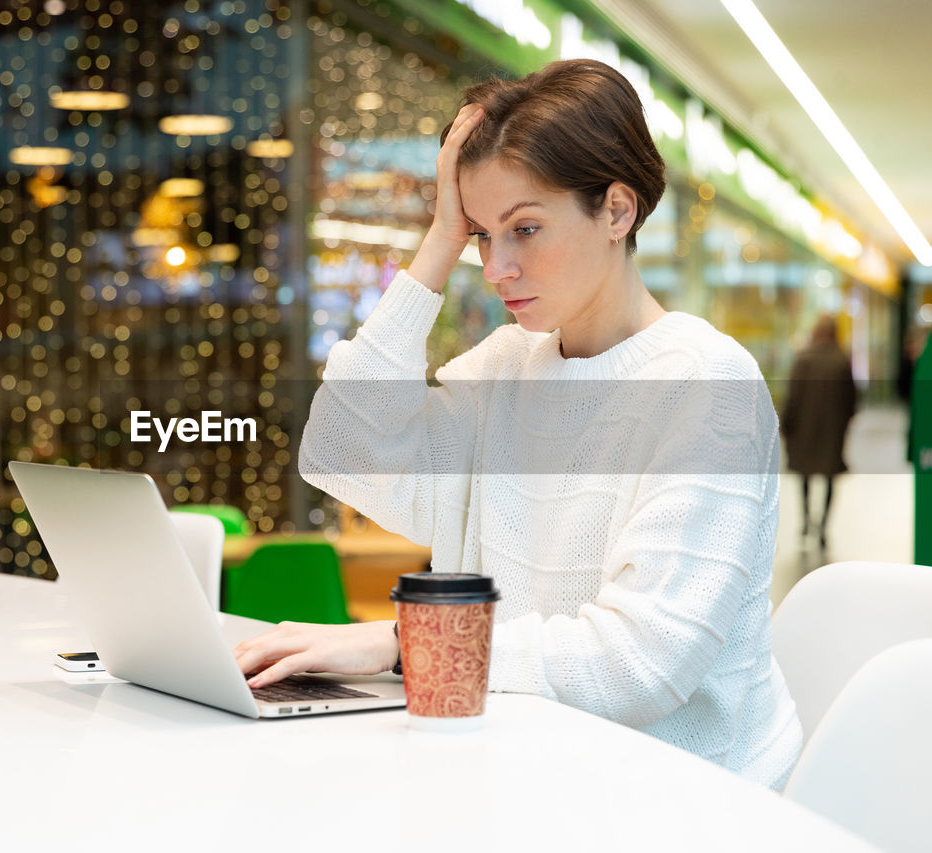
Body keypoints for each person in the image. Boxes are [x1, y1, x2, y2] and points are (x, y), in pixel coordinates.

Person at [232, 58, 802, 789]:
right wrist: (438, 238)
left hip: (685, 797)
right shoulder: (507, 366)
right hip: (526, 764)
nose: (496, 267)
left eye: (526, 228)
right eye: (481, 235)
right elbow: (348, 451)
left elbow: (639, 663)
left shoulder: (706, 386)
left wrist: (405, 642)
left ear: (617, 211)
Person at [781, 314, 856, 549]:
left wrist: (786, 425)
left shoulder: (803, 359)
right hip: (832, 433)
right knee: (830, 478)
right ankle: (823, 526)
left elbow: (792, 398)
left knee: (805, 476)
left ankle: (805, 521)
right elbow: (851, 401)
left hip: (804, 431)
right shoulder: (841, 361)